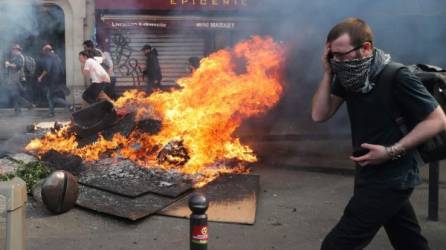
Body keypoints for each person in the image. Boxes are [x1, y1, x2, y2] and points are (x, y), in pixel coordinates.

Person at [312, 17, 446, 250]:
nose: (338, 61)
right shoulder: (349, 77)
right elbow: (319, 114)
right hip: (369, 173)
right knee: (408, 241)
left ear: (366, 48)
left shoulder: (397, 76)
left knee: (336, 245)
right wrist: (328, 73)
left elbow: (438, 120)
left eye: (342, 55)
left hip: (393, 176)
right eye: (333, 56)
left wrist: (390, 151)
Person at [37, 44, 72, 117]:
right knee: (51, 96)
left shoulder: (49, 57)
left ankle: (68, 105)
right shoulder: (57, 57)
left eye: (44, 51)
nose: (43, 52)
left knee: (52, 97)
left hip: (52, 81)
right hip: (58, 80)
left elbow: (47, 69)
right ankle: (51, 112)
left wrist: (40, 77)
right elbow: (62, 69)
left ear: (46, 51)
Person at [4, 44, 34, 114]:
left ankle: (28, 105)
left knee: (15, 95)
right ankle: (17, 109)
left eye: (14, 49)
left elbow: (18, 66)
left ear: (17, 50)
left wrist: (9, 64)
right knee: (14, 94)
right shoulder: (15, 57)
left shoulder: (20, 57)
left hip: (18, 79)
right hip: (14, 79)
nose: (12, 51)